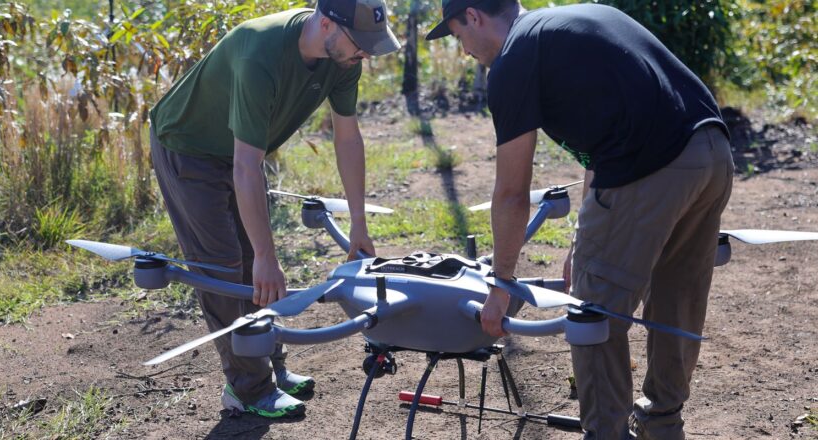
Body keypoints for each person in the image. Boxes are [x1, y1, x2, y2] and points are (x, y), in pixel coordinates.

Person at [426, 1, 734, 438]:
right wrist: (580, 242)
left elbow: (512, 192)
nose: (463, 50)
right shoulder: (571, 22)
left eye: (458, 36)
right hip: (712, 152)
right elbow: (601, 139)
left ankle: (606, 433)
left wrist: (501, 285)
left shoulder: (514, 60)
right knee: (677, 300)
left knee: (593, 316)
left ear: (473, 16)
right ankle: (663, 423)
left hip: (649, 166)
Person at [148, 0, 400, 418]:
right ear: (326, 24)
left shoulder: (343, 60)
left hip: (240, 153)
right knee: (226, 268)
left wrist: (358, 225)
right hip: (188, 148)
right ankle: (247, 389)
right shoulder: (260, 52)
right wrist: (265, 256)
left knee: (258, 268)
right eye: (361, 44)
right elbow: (246, 166)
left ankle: (271, 367)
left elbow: (348, 139)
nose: (366, 54)